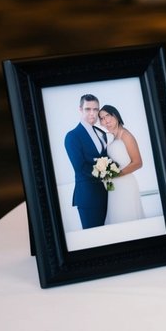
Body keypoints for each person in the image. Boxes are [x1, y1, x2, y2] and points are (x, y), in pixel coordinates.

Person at [63, 93, 108, 229]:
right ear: (80, 110)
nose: (92, 113)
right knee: (95, 240)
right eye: (88, 109)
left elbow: (105, 159)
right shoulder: (72, 136)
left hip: (106, 194)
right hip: (88, 197)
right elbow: (80, 167)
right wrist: (107, 174)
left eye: (96, 109)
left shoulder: (102, 133)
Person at [98, 105, 144, 224]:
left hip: (126, 185)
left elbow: (138, 163)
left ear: (116, 115)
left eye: (107, 115)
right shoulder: (112, 138)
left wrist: (116, 175)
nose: (105, 120)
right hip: (114, 188)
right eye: (102, 118)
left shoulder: (126, 135)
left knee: (126, 218)